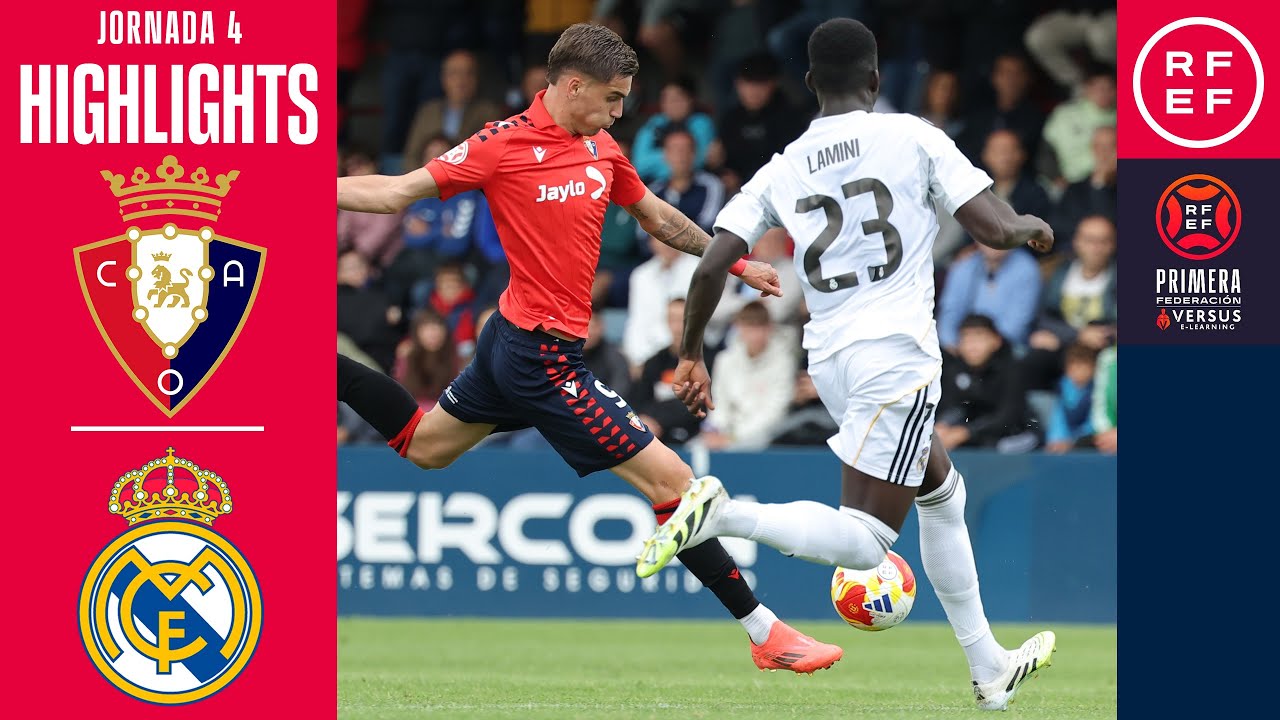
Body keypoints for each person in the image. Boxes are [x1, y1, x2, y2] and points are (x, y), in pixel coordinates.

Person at [335, 23, 842, 674]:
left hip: (514, 343)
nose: (620, 111)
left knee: (425, 447)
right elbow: (399, 191)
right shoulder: (501, 146)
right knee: (679, 485)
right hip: (536, 358)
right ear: (572, 86)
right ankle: (766, 633)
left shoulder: (602, 147)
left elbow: (657, 215)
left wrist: (734, 263)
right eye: (611, 97)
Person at [639, 18, 1056, 710]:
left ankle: (988, 666)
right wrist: (1032, 230)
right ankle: (723, 514)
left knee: (941, 490)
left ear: (809, 85)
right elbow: (992, 226)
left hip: (830, 357)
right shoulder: (913, 135)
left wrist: (690, 354)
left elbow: (714, 260)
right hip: (897, 354)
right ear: (874, 78)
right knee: (867, 544)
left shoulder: (784, 162)